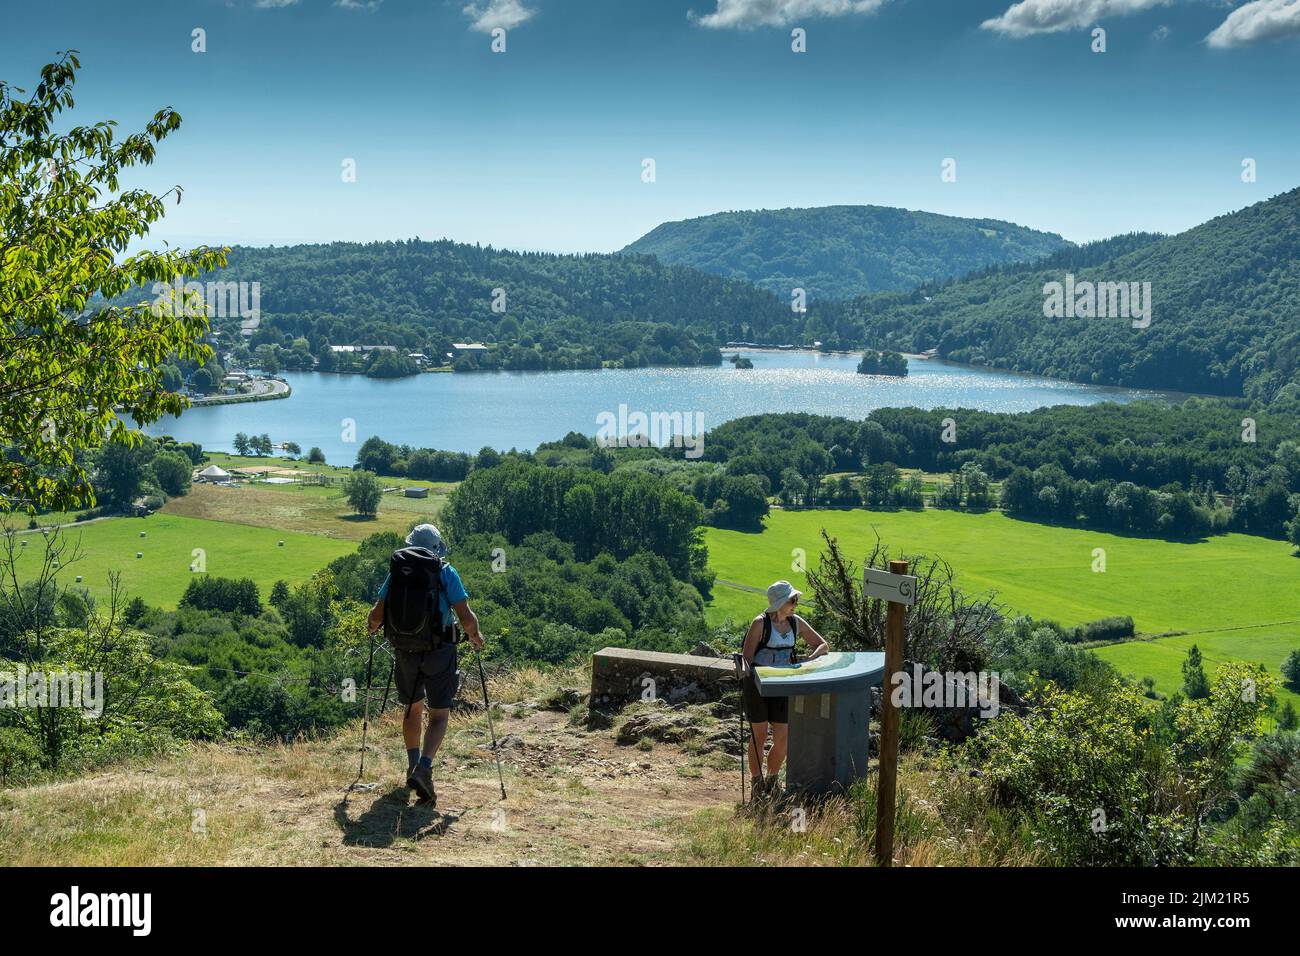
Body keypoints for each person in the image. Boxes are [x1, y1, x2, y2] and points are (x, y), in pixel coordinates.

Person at [367, 523, 481, 807]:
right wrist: (476, 637)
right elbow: (465, 616)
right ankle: (425, 769)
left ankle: (412, 764)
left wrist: (371, 628)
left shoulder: (397, 573)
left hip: (405, 649)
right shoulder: (445, 572)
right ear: (437, 548)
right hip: (439, 650)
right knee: (439, 712)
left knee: (411, 707)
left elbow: (375, 617)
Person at [741, 580, 828, 801]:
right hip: (757, 685)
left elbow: (822, 644)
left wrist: (810, 658)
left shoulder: (796, 623)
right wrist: (748, 677)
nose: (795, 604)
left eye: (795, 600)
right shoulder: (759, 624)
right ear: (780, 603)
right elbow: (747, 659)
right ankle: (757, 783)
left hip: (784, 685)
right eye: (792, 600)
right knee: (758, 735)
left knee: (783, 738)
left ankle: (772, 779)